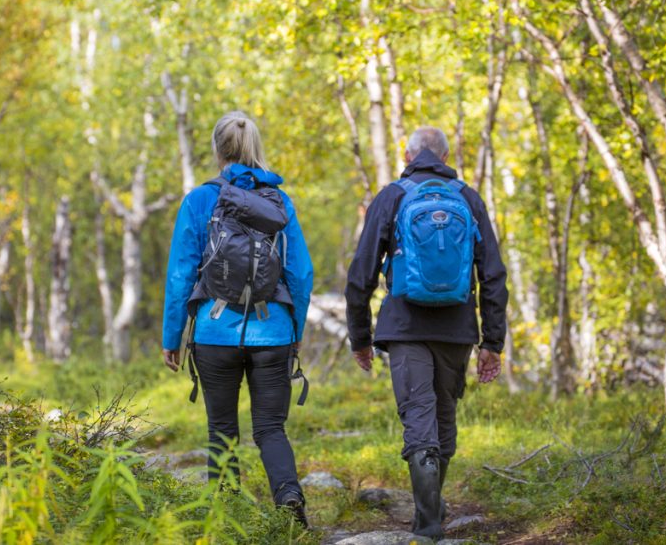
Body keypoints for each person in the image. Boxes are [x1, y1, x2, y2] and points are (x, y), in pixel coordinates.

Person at [345, 126, 508, 539]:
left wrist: (360, 337)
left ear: (407, 154)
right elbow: (492, 275)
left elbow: (361, 273)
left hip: (404, 326)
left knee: (418, 419)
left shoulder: (393, 196)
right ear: (446, 155)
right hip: (457, 328)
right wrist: (492, 342)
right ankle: (430, 515)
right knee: (444, 417)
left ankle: (428, 524)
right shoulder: (468, 198)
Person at [161, 110, 314, 527]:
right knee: (270, 428)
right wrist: (294, 329)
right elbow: (301, 273)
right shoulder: (279, 202)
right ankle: (289, 500)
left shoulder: (198, 200)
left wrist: (172, 336)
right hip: (274, 332)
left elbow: (180, 274)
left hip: (213, 332)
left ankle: (226, 518)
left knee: (221, 430)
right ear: (255, 147)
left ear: (216, 149)